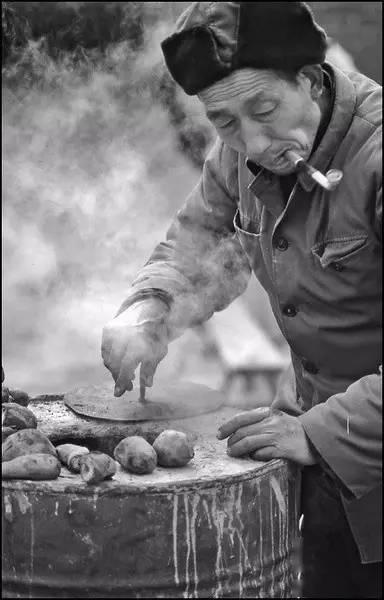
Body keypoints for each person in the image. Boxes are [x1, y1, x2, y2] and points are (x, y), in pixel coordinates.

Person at [102, 3, 382, 597]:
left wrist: (321, 432)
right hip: (321, 461)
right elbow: (196, 245)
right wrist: (150, 308)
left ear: (310, 78)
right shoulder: (241, 153)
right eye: (224, 121)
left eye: (264, 109)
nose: (251, 142)